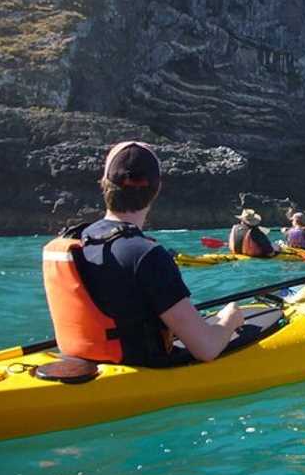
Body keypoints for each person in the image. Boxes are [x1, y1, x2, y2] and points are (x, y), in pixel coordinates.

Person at [42, 141, 244, 366]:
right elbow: (206, 349)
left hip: (80, 359)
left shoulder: (78, 238)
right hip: (139, 368)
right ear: (156, 189)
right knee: (226, 317)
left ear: (104, 184)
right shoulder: (147, 255)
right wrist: (230, 318)